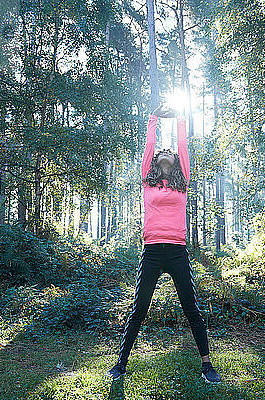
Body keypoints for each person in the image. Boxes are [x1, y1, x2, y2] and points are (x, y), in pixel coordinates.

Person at [105, 104, 221, 384]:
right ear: (156, 162)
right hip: (153, 251)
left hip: (178, 251)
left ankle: (207, 366)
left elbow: (183, 145)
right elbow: (149, 144)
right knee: (140, 307)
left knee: (191, 307)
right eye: (162, 153)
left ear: (176, 162)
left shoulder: (182, 183)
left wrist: (180, 116)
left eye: (170, 153)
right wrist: (155, 117)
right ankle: (120, 364)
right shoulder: (148, 182)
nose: (166, 153)